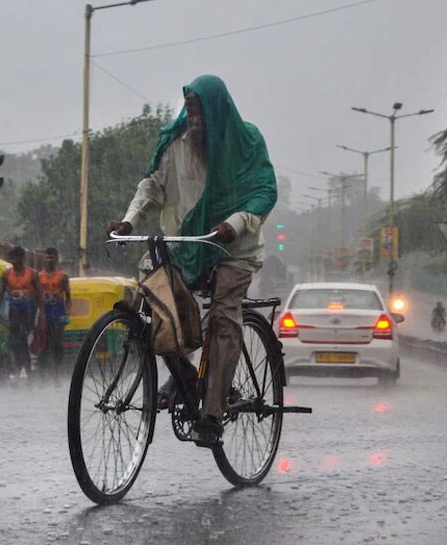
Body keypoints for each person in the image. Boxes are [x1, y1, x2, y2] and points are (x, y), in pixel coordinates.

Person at [106, 75, 277, 447]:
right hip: (188, 245)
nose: (194, 118)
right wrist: (130, 219)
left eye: (200, 111)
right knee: (156, 307)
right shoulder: (174, 143)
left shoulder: (245, 142)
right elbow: (152, 186)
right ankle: (185, 375)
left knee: (222, 316)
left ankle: (213, 413)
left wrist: (234, 225)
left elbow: (264, 191)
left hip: (235, 249)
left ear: (218, 110)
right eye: (190, 110)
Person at [0, 246, 43, 381]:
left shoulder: (32, 274)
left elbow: (39, 296)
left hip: (29, 311)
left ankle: (21, 368)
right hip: (14, 311)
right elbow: (0, 295)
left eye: (16, 259)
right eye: (11, 260)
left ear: (22, 258)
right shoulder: (7, 275)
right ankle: (24, 369)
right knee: (17, 341)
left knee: (21, 338)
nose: (14, 262)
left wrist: (42, 314)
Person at [37, 248, 71, 384]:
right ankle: (43, 376)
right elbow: (36, 296)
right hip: (44, 311)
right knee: (43, 345)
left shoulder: (62, 277)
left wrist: (67, 313)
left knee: (57, 344)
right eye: (46, 257)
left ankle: (57, 375)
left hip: (58, 310)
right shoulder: (38, 277)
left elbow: (68, 297)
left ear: (56, 259)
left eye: (51, 257)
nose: (49, 260)